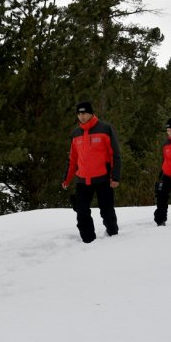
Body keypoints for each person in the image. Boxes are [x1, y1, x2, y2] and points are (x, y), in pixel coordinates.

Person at [61, 101, 121, 243]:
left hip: (103, 179)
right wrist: (66, 179)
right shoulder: (75, 134)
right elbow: (72, 159)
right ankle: (88, 242)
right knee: (81, 212)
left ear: (91, 113)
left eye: (84, 113)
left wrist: (115, 177)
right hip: (82, 180)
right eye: (79, 114)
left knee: (107, 212)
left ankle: (114, 236)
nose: (81, 116)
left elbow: (115, 155)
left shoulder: (105, 129)